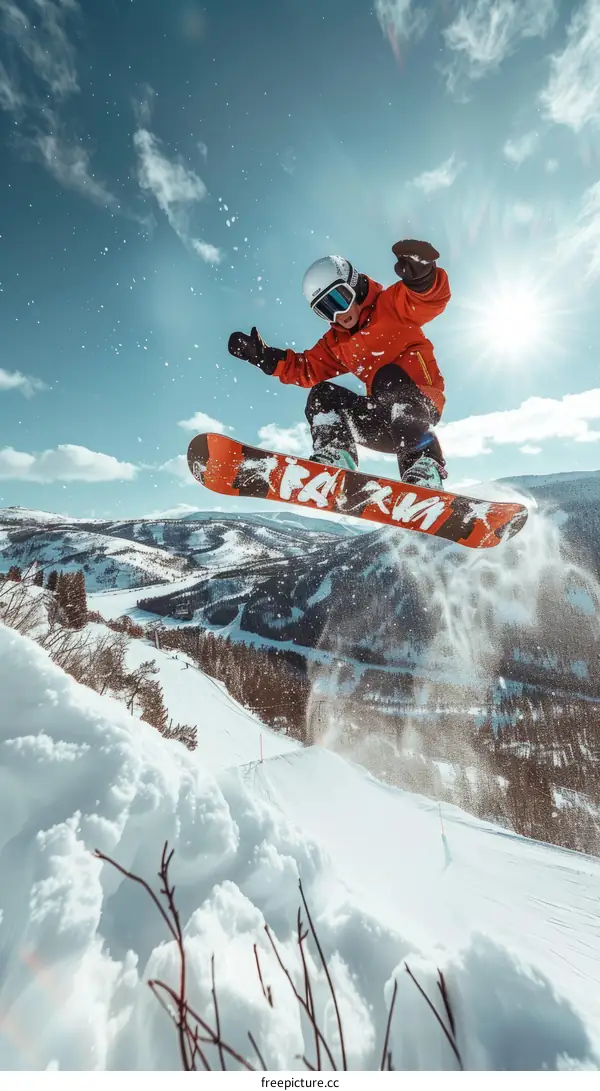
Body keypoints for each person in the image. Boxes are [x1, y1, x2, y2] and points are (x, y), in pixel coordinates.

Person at [228, 239, 450, 489]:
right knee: (322, 394)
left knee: (387, 377)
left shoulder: (392, 306)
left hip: (418, 409)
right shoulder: (337, 342)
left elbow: (428, 299)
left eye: (339, 300)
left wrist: (422, 276)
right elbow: (306, 368)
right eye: (325, 310)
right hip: (381, 421)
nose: (338, 316)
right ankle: (335, 458)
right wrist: (264, 358)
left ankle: (424, 467)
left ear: (354, 285)